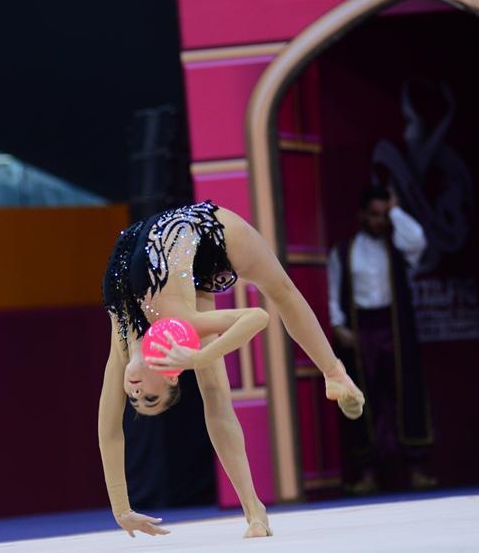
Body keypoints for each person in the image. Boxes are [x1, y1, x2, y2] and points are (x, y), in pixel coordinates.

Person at [99, 201, 364, 539]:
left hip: (183, 238)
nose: (134, 392)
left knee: (270, 300)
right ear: (169, 374)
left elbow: (109, 427)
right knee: (274, 300)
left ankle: (334, 374)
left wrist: (120, 508)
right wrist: (198, 358)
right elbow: (258, 316)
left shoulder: (123, 340)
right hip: (214, 236)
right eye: (148, 398)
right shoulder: (184, 323)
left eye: (133, 398)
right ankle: (256, 511)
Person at [328, 185, 435, 493]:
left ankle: (417, 468)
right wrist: (339, 326)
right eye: (374, 215)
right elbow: (333, 292)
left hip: (395, 328)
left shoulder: (399, 247)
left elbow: (418, 240)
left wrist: (396, 209)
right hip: (362, 331)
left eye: (383, 215)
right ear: (362, 215)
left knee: (405, 395)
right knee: (362, 399)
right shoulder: (344, 251)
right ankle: (367, 474)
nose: (379, 221)